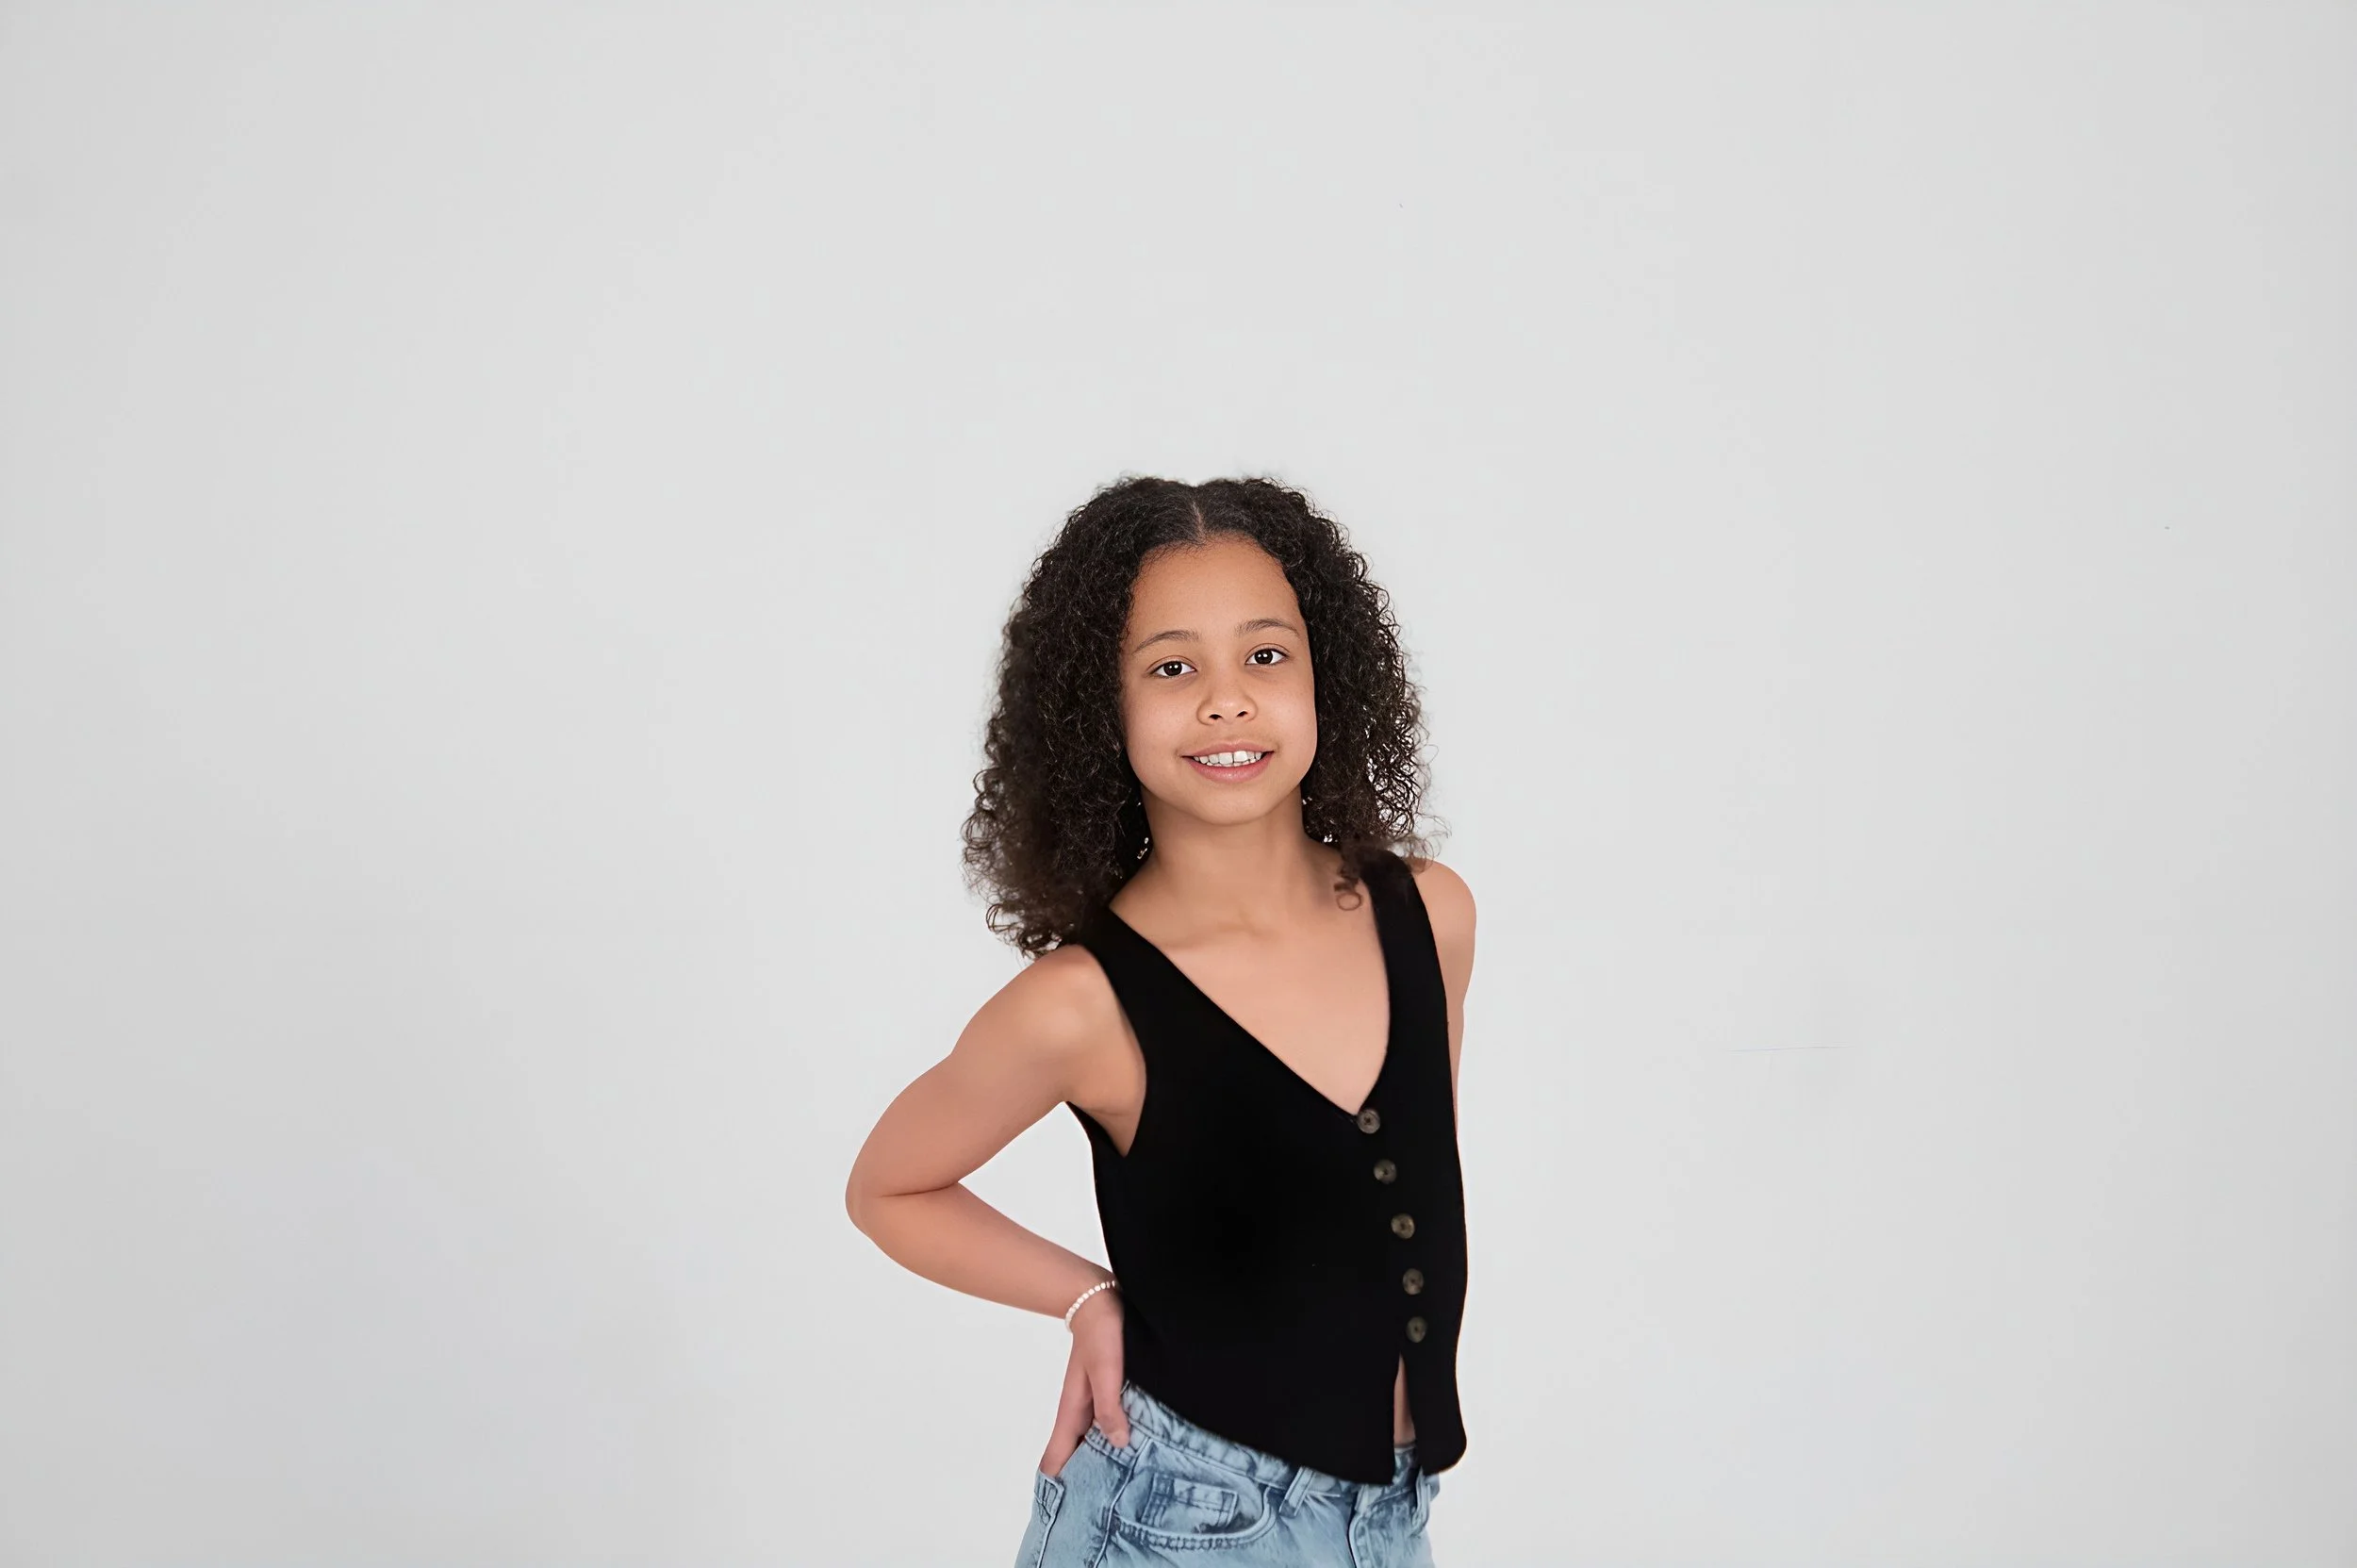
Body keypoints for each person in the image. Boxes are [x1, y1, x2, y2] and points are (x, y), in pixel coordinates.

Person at [845, 475, 1477, 1566]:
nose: (1226, 701)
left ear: (1328, 674)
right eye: (1172, 667)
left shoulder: (1428, 914)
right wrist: (1085, 1294)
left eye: (1266, 655)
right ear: (1103, 707)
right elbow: (889, 1185)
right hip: (1183, 1518)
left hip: (1390, 1518)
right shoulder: (1084, 1002)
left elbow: (1397, 1199)